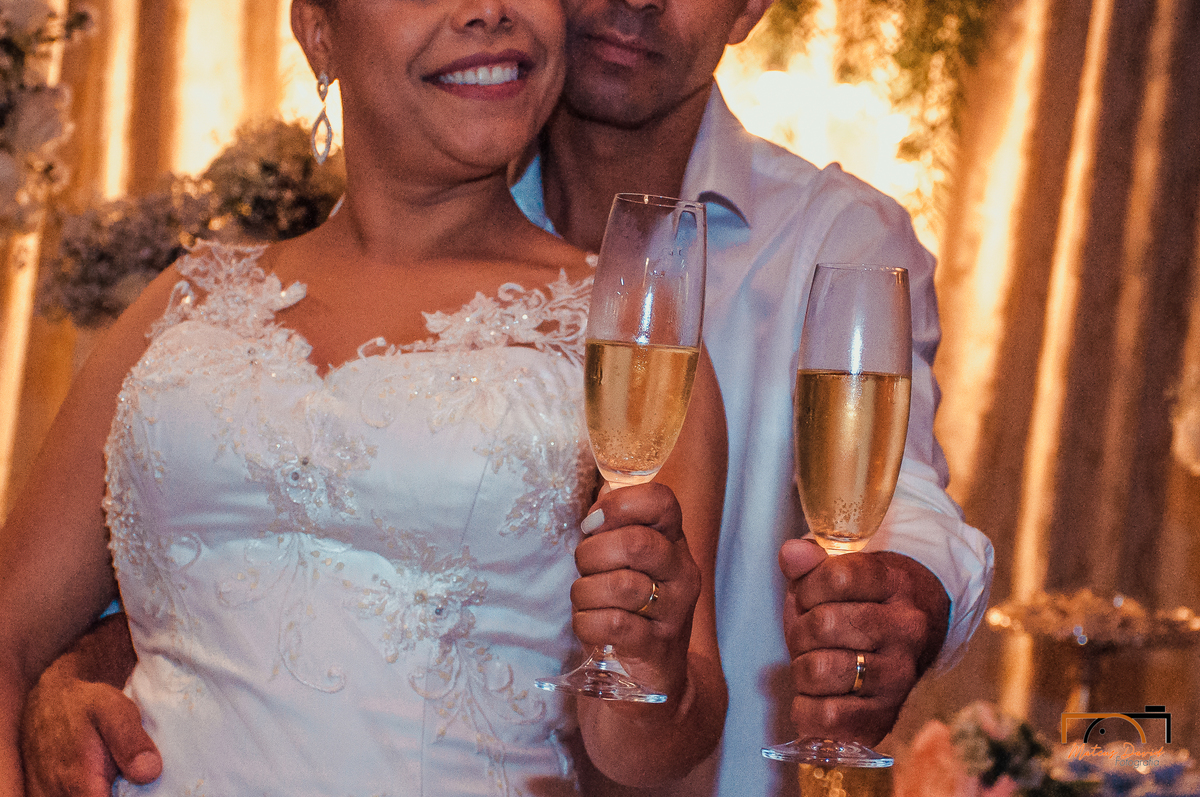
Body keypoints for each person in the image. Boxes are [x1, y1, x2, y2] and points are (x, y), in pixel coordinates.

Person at [20, 0, 993, 795]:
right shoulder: (193, 298)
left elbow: (665, 729)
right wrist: (60, 680)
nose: (487, 9)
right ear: (315, 29)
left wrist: (664, 657)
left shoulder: (646, 330)